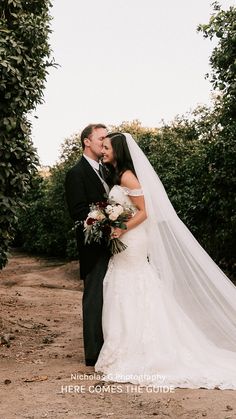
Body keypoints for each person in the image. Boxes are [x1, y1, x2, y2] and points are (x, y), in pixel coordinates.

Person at [94, 132, 236, 389]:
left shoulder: (127, 175)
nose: (102, 151)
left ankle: (137, 350)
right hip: (125, 240)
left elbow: (146, 211)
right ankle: (124, 347)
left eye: (106, 147)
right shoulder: (117, 174)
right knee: (123, 285)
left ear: (118, 150)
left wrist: (121, 227)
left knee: (132, 284)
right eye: (101, 146)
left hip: (132, 240)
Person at [65, 123, 110, 366]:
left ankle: (112, 346)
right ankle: (93, 353)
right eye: (101, 138)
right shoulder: (76, 173)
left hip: (116, 243)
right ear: (87, 141)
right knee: (94, 297)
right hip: (93, 245)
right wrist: (109, 219)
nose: (105, 142)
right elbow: (79, 212)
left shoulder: (108, 170)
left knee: (115, 295)